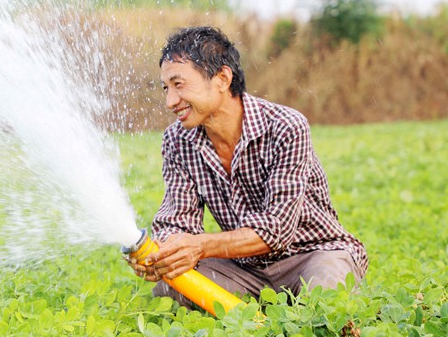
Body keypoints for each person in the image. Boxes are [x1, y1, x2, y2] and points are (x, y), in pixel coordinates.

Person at [127, 26, 368, 308]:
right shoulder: (177, 140)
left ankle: (298, 310)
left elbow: (277, 229)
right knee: (169, 288)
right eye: (166, 88)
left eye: (179, 85)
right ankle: (261, 315)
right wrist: (162, 255)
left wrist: (200, 246)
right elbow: (176, 220)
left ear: (222, 78)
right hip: (244, 270)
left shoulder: (286, 126)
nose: (170, 101)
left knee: (324, 297)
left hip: (312, 255)